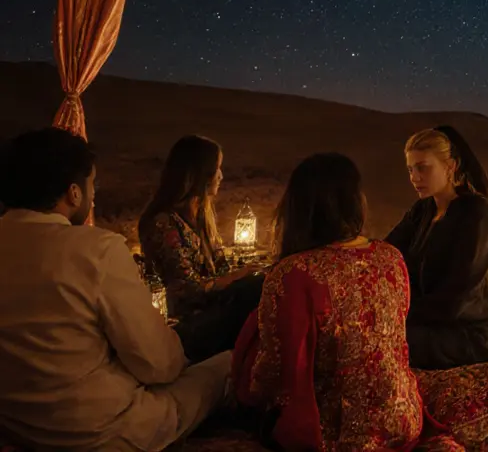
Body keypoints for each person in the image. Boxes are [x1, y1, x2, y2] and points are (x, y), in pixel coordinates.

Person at [0, 128, 230, 451]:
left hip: (17, 426)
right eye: (93, 184)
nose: (94, 195)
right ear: (74, 194)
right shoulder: (96, 250)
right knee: (227, 365)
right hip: (100, 431)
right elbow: (159, 363)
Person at [233, 153, 423, 451]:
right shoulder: (391, 257)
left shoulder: (294, 274)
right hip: (404, 421)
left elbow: (272, 376)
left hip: (334, 437)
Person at [386, 126, 488, 369]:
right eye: (410, 169)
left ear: (451, 166)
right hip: (432, 322)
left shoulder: (476, 213)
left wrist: (399, 316)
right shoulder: (423, 210)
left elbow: (459, 296)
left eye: (423, 168)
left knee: (389, 342)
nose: (414, 177)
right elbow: (388, 254)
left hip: (476, 332)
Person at [138, 135, 263, 361]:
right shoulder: (163, 223)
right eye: (217, 169)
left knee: (265, 285)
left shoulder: (202, 216)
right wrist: (238, 276)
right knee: (256, 293)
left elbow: (221, 268)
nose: (221, 176)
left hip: (213, 310)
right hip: (187, 324)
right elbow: (188, 289)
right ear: (201, 175)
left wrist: (247, 271)